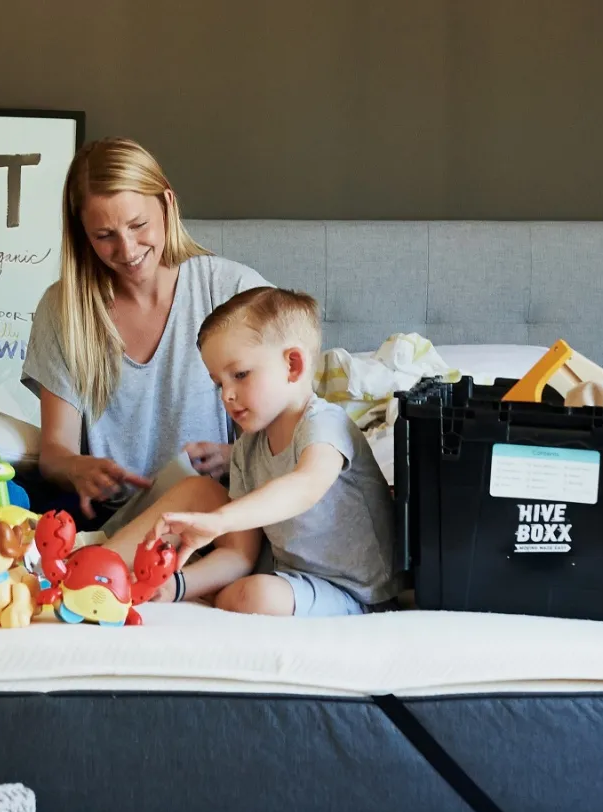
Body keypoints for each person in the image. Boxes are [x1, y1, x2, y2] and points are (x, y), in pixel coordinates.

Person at [21, 136, 271, 591]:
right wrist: (79, 468)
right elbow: (55, 452)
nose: (128, 248)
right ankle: (94, 570)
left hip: (203, 517)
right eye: (104, 236)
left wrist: (235, 455)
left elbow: (290, 422)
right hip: (106, 514)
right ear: (82, 234)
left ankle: (91, 575)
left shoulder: (231, 290)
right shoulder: (63, 309)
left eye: (138, 225)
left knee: (210, 502)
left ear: (167, 204)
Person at [154, 287, 403, 617]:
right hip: (292, 578)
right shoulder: (246, 449)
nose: (227, 395)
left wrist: (220, 520)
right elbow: (241, 553)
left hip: (359, 592)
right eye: (219, 383)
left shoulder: (323, 423)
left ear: (293, 365)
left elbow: (305, 487)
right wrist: (176, 585)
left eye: (240, 375)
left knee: (256, 596)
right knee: (246, 586)